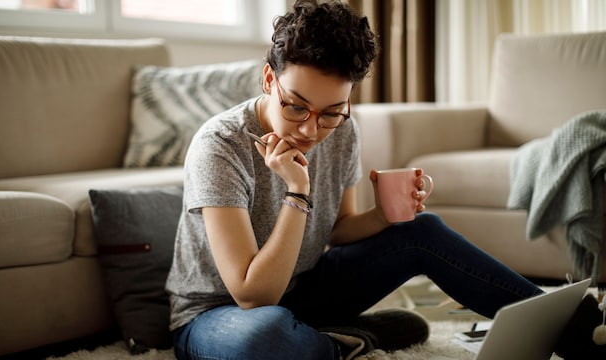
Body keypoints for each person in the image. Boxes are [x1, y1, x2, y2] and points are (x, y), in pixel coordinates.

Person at [165, 1, 604, 359]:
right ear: (269, 79)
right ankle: (349, 340)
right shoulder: (220, 146)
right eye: (296, 107)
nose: (310, 129)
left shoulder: (344, 131)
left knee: (422, 231)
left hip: (304, 290)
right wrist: (297, 192)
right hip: (218, 315)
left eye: (332, 112)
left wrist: (389, 214)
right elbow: (252, 295)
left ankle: (574, 327)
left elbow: (339, 231)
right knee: (264, 338)